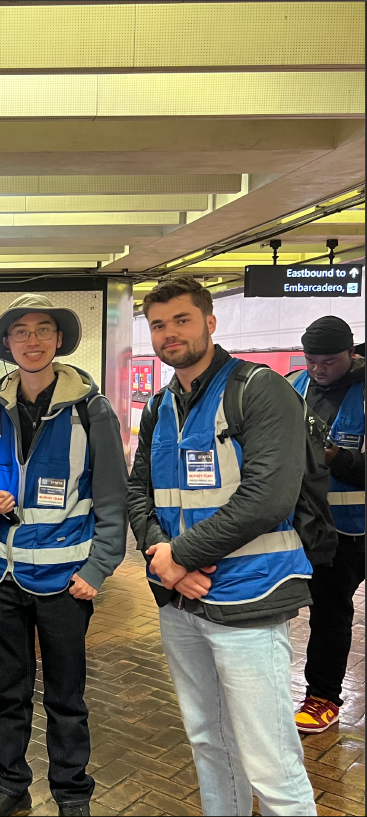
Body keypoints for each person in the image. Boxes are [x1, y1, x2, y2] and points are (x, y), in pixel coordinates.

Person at [127, 277, 317, 817]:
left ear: (210, 322)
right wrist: (164, 558)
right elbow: (140, 489)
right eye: (158, 324)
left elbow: (268, 496)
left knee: (270, 759)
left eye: (182, 320)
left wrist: (177, 557)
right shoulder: (161, 403)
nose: (169, 334)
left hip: (251, 598)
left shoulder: (259, 389)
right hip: (181, 602)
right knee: (210, 742)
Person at [0, 294, 127, 817]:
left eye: (43, 330)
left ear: (58, 341)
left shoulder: (91, 410)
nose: (32, 340)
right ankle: (10, 784)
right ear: (7, 343)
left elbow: (113, 498)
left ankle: (72, 792)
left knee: (67, 697)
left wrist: (98, 569)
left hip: (65, 581)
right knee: (9, 691)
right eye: (21, 331)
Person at [288, 316, 364, 733]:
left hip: (357, 530)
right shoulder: (294, 387)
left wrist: (337, 457)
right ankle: (318, 695)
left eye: (329, 361)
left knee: (332, 612)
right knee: (322, 611)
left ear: (351, 354)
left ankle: (322, 696)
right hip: (311, 528)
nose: (319, 369)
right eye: (312, 360)